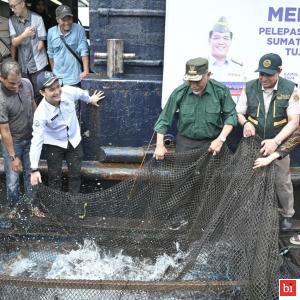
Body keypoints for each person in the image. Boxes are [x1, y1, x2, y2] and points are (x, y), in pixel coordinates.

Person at [236, 53, 300, 231]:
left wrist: (276, 141)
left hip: (279, 144)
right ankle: (250, 213)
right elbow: (238, 112)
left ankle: (287, 214)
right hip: (253, 143)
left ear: (279, 71)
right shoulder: (249, 88)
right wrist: (246, 122)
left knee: (282, 181)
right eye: (261, 74)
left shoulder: (291, 89)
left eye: (269, 75)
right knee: (249, 178)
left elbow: (294, 121)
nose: (263, 78)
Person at [30, 71, 105, 193]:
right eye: (51, 89)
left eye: (58, 86)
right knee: (55, 178)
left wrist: (90, 99)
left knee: (75, 175)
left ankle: (74, 205)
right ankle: (57, 207)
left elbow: (81, 94)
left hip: (74, 140)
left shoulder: (69, 91)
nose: (57, 91)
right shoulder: (40, 114)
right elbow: (36, 140)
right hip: (54, 144)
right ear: (42, 93)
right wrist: (34, 169)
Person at [153, 57, 237, 160]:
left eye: (197, 81)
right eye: (190, 81)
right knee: (183, 175)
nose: (193, 85)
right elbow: (164, 119)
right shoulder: (180, 92)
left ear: (208, 75)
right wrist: (159, 145)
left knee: (212, 175)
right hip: (186, 145)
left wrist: (220, 140)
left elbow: (231, 116)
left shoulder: (220, 91)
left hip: (213, 143)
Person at [0, 61, 44, 219]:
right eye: (12, 83)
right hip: (13, 141)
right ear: (2, 79)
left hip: (31, 137)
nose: (17, 87)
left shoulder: (26, 83)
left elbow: (33, 105)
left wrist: (40, 127)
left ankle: (34, 206)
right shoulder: (1, 99)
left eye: (18, 83)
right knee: (12, 178)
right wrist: (13, 157)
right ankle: (13, 207)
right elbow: (4, 131)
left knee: (31, 173)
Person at [8, 0, 48, 102]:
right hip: (23, 65)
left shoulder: (37, 18)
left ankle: (39, 117)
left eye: (14, 6)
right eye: (10, 7)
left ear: (22, 3)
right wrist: (25, 35)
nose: (12, 9)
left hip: (39, 64)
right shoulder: (11, 20)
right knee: (25, 94)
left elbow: (41, 43)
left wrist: (40, 41)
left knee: (40, 94)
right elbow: (14, 42)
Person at [47, 5, 90, 88]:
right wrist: (54, 72)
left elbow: (84, 51)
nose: (67, 23)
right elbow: (50, 54)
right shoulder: (51, 32)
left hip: (74, 77)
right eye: (63, 20)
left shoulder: (79, 29)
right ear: (57, 20)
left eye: (69, 19)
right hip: (58, 79)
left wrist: (86, 71)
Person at [208, 16, 246, 101]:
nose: (221, 42)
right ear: (209, 40)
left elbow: (242, 98)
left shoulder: (238, 68)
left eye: (225, 38)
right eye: (216, 38)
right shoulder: (201, 66)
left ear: (230, 41)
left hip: (231, 113)